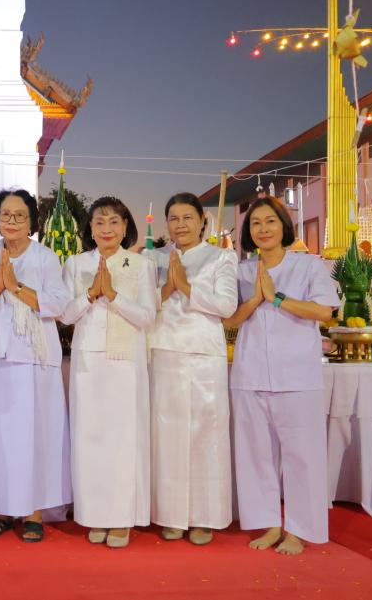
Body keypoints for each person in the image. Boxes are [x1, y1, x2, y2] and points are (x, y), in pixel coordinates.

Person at [223, 196, 338, 556]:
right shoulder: (241, 271)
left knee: (302, 455)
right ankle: (269, 524)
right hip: (250, 373)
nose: (263, 229)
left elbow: (324, 311)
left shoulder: (308, 266)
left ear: (283, 226)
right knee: (256, 454)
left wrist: (275, 298)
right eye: (255, 223)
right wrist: (256, 299)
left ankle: (299, 529)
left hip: (297, 376)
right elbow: (229, 320)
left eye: (270, 221)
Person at [0, 189, 71, 543]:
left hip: (35, 359)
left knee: (36, 434)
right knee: (1, 437)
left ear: (31, 221)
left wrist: (16, 287)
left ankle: (33, 512)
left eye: (19, 215)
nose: (12, 221)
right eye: (5, 215)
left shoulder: (45, 257)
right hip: (0, 358)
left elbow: (59, 304)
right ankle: (2, 508)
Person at [60, 196, 156, 549]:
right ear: (90, 229)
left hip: (125, 363)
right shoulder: (75, 263)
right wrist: (90, 294)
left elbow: (148, 316)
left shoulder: (140, 265)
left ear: (126, 226)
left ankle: (121, 519)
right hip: (88, 361)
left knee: (122, 440)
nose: (107, 229)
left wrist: (113, 295)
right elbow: (65, 314)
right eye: (99, 222)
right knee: (90, 438)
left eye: (114, 222)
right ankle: (95, 515)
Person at [149, 192, 238, 545]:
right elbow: (141, 305)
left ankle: (204, 516)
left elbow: (227, 305)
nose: (181, 224)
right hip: (165, 352)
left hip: (204, 355)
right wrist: (168, 286)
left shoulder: (221, 258)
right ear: (167, 223)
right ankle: (171, 514)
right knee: (167, 435)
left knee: (205, 435)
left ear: (203, 221)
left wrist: (185, 287)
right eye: (174, 218)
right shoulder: (152, 258)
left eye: (188, 217)